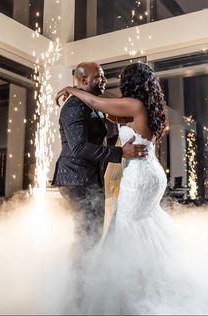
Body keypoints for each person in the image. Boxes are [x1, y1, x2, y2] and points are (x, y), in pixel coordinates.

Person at [56, 62, 190, 314]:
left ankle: (129, 294)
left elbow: (98, 105)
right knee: (138, 229)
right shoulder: (142, 106)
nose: (107, 80)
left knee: (126, 230)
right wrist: (77, 92)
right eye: (101, 76)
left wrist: (70, 89)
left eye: (113, 76)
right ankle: (143, 286)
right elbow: (101, 118)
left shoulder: (133, 105)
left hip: (140, 174)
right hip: (150, 172)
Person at [51, 62, 148, 308]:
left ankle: (83, 288)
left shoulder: (91, 104)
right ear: (83, 80)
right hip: (75, 178)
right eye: (99, 76)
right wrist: (120, 154)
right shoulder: (74, 107)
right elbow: (79, 147)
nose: (104, 80)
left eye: (104, 75)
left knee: (91, 235)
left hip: (89, 177)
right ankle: (75, 296)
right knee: (87, 236)